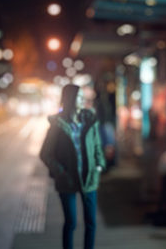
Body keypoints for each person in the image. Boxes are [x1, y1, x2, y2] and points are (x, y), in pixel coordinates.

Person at [40, 84, 106, 249]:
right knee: (71, 223)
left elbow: (97, 145)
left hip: (89, 176)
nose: (82, 99)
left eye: (83, 96)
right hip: (67, 180)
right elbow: (45, 154)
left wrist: (98, 165)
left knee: (91, 222)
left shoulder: (89, 119)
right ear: (69, 99)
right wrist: (61, 172)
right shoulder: (58, 124)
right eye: (79, 96)